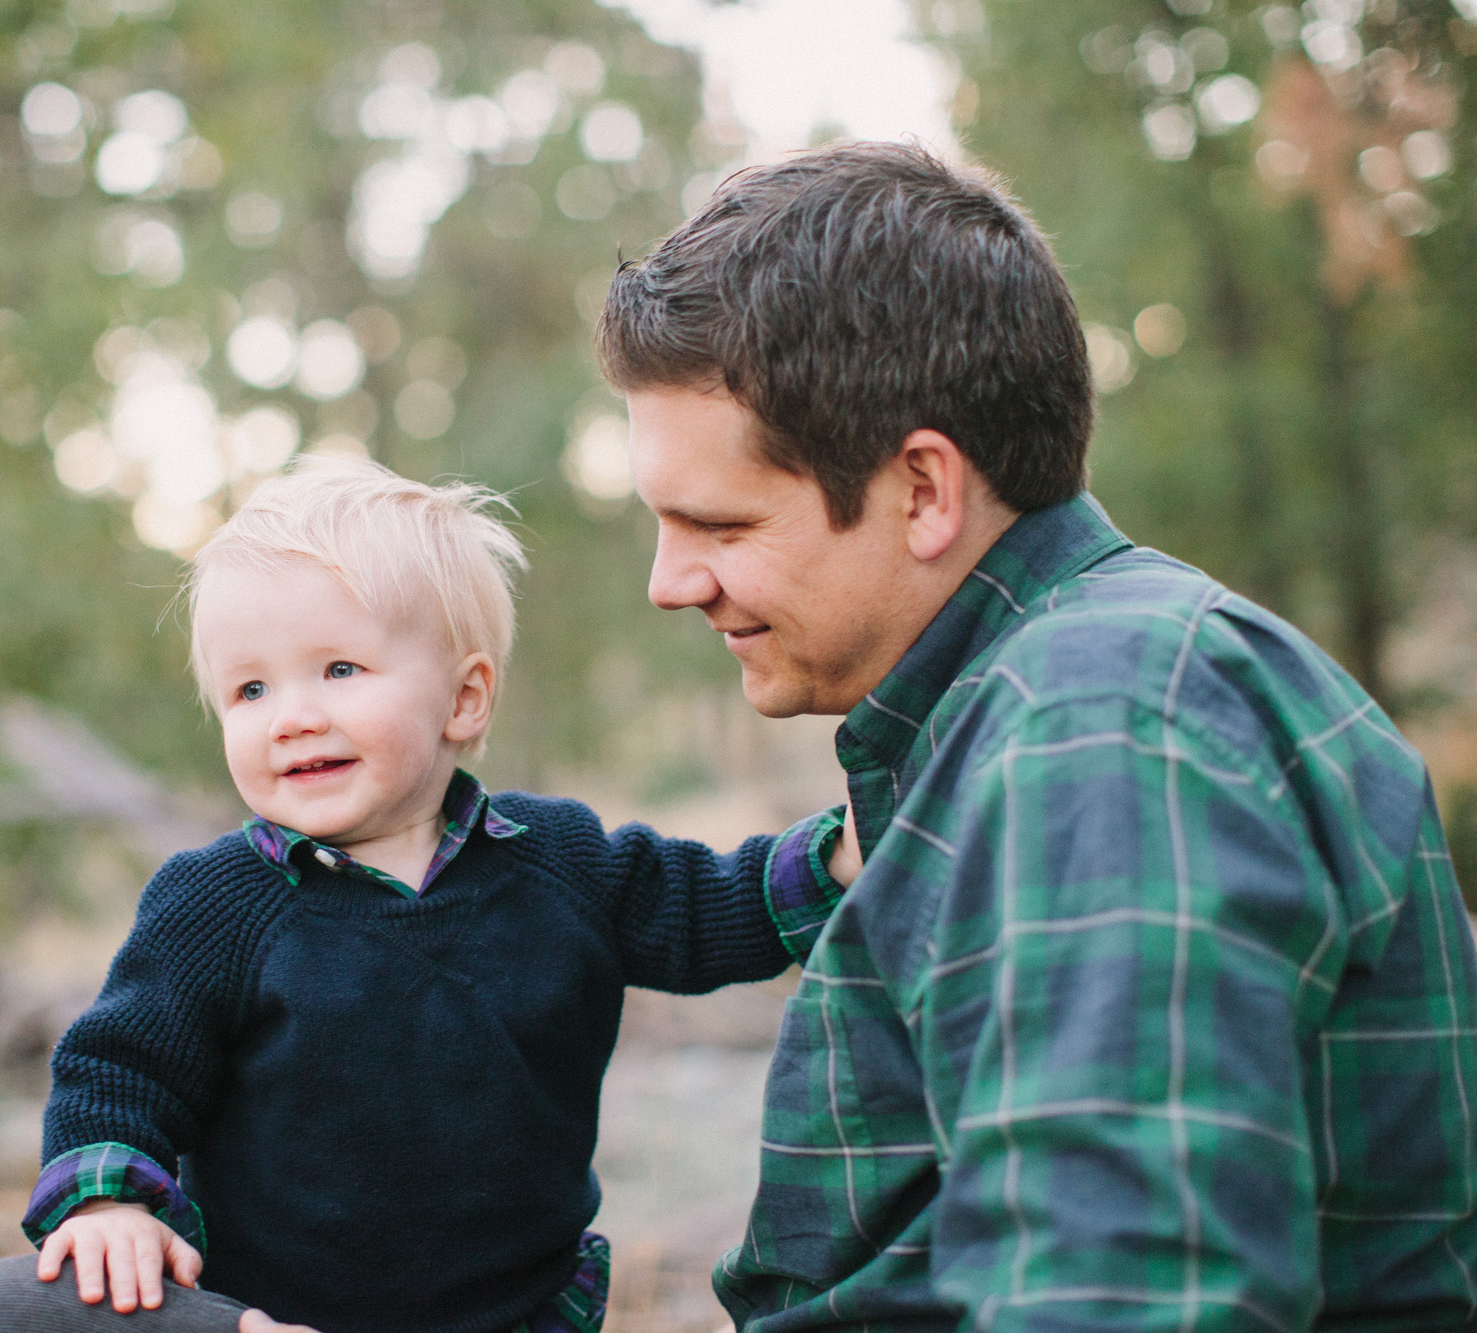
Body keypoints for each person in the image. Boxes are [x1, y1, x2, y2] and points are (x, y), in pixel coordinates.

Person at [586, 141, 1477, 1331]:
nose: (668, 581)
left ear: (921, 491)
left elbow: (1124, 1298)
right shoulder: (1042, 706)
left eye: (716, 521)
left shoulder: (1099, 727)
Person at [0, 463, 825, 1333]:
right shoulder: (218, 904)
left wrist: (845, 854)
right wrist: (111, 1197)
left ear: (464, 699)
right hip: (266, 1311)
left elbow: (712, 905)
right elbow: (120, 1070)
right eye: (250, 688)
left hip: (508, 1312)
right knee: (3, 1312)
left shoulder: (558, 863)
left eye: (339, 670)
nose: (292, 714)